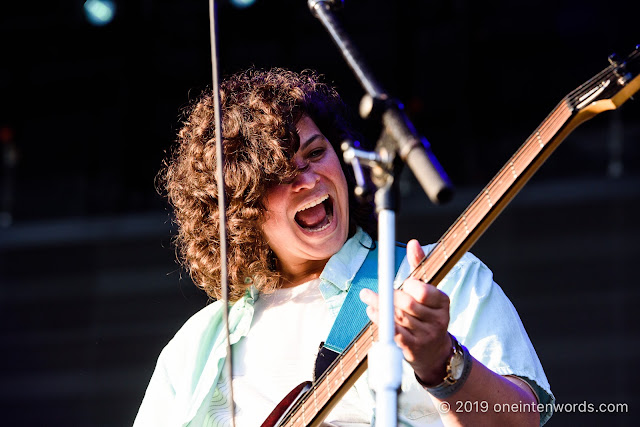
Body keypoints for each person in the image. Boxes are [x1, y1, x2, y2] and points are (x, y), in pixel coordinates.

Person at [134, 68, 554, 426]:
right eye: (279, 175)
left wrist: (442, 362)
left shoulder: (438, 277)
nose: (310, 179)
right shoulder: (196, 347)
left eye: (316, 153)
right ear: (239, 212)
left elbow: (519, 420)